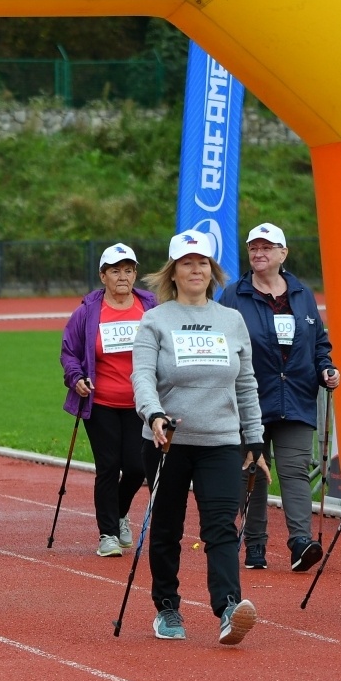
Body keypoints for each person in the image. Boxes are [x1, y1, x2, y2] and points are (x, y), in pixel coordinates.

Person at [131, 230, 266, 646]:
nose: (195, 269)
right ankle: (167, 608)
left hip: (222, 441)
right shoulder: (155, 319)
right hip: (167, 441)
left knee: (221, 526)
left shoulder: (231, 320)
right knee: (168, 527)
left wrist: (255, 438)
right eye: (187, 263)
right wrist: (153, 415)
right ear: (173, 272)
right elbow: (142, 376)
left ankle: (228, 608)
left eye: (202, 262)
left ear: (212, 271)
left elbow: (246, 383)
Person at [220, 223, 340, 572]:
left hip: (298, 397)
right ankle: (254, 543)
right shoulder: (233, 296)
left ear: (282, 253)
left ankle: (300, 542)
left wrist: (327, 368)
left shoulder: (302, 294)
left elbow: (319, 344)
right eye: (254, 247)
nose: (259, 253)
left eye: (267, 247)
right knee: (252, 470)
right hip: (250, 399)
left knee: (295, 470)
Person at [60, 243, 157, 557]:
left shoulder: (151, 308)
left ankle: (118, 513)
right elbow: (69, 353)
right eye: (115, 270)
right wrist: (76, 378)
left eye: (128, 270)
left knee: (137, 466)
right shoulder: (88, 311)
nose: (123, 276)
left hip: (140, 403)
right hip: (100, 402)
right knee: (108, 465)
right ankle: (108, 535)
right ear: (103, 275)